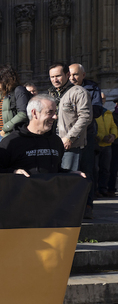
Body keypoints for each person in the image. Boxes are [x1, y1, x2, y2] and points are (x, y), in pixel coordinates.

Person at [0, 94, 81, 304]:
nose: (55, 116)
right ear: (34, 113)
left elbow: (55, 171)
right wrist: (14, 173)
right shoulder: (12, 142)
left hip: (50, 216)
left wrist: (72, 176)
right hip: (18, 217)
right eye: (51, 112)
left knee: (50, 265)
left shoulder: (56, 142)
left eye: (54, 111)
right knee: (19, 264)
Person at [47, 63, 93, 217]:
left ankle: (70, 214)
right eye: (52, 77)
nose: (55, 80)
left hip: (70, 144)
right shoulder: (52, 94)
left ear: (67, 75)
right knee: (57, 180)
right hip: (53, 143)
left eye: (58, 76)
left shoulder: (78, 92)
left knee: (69, 179)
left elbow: (85, 117)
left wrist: (69, 137)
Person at [69, 63, 102, 213]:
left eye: (75, 74)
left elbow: (96, 110)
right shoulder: (65, 88)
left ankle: (88, 205)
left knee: (88, 169)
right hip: (68, 134)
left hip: (87, 134)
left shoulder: (93, 88)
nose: (72, 78)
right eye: (70, 75)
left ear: (83, 75)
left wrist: (79, 112)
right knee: (70, 169)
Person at [0, 64, 29, 140]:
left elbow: (23, 114)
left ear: (4, 78)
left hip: (11, 134)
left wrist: (6, 128)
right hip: (2, 134)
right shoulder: (3, 94)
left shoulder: (18, 90)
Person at [95, 93, 117, 197]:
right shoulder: (92, 112)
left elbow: (113, 126)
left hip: (107, 145)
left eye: (103, 98)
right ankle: (95, 190)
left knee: (106, 169)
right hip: (96, 144)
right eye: (100, 98)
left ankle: (103, 189)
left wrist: (113, 135)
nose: (102, 100)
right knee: (95, 169)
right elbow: (91, 127)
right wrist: (99, 136)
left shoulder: (108, 113)